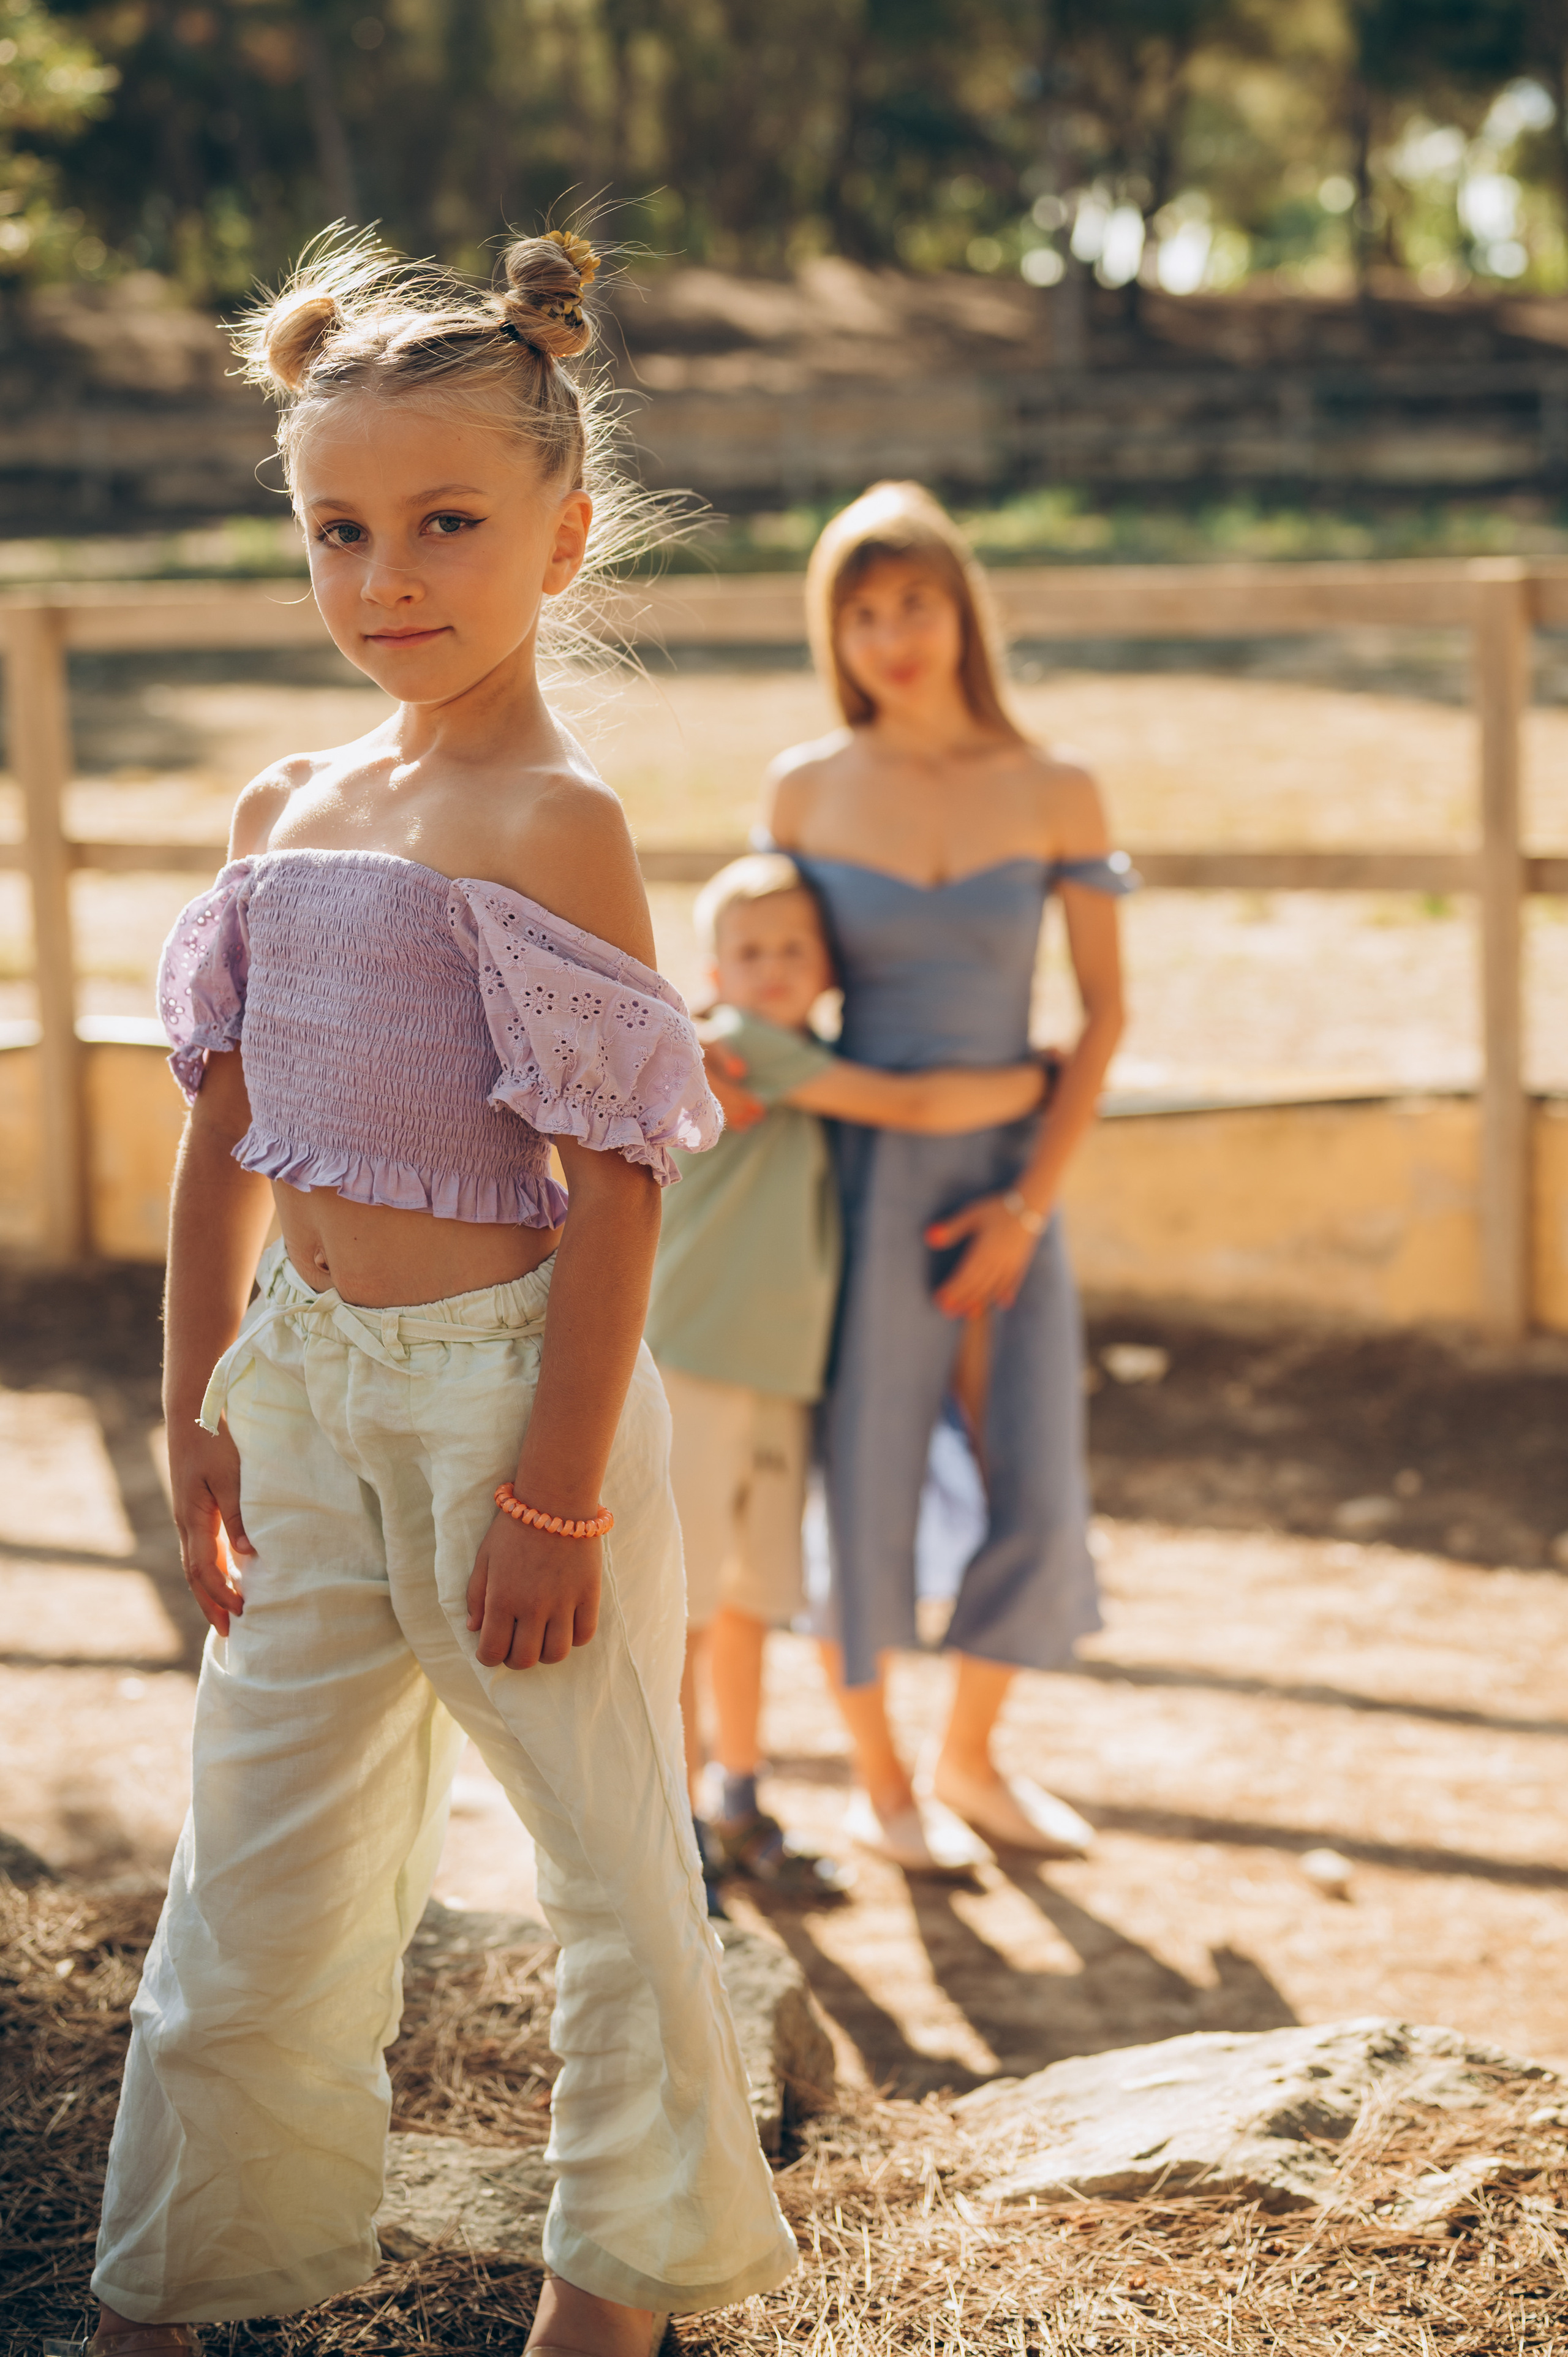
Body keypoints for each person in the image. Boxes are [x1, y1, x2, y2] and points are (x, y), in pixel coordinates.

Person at [77, 229, 797, 2357]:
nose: (390, 574)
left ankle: (612, 2301)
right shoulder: (281, 807)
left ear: (564, 537)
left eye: (448, 523)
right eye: (341, 527)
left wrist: (559, 1489)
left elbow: (620, 1185)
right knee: (253, 1881)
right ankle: (168, 2290)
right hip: (300, 1398)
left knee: (607, 1875)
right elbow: (224, 1136)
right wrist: (195, 1400)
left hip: (517, 1415)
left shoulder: (552, 821)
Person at [736, 480, 1134, 1875]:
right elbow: (760, 1003)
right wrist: (888, 1098)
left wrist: (1025, 1203)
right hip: (850, 1174)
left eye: (914, 603)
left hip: (1014, 1173)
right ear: (827, 632)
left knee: (1038, 1467)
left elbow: (1102, 1015)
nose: (891, 635)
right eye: (859, 611)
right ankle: (882, 1781)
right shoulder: (801, 785)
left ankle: (972, 1758)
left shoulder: (1055, 786)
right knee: (866, 1465)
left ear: (963, 608)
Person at [648, 853, 1052, 1910]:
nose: (772, 967)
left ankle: (740, 1806)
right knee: (683, 1609)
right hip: (695, 1356)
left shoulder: (791, 1050)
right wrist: (1038, 1083)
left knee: (748, 1605)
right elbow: (906, 1105)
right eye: (749, 952)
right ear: (714, 970)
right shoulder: (745, 1047)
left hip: (777, 1372)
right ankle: (675, 1822)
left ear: (829, 963)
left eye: (793, 949)